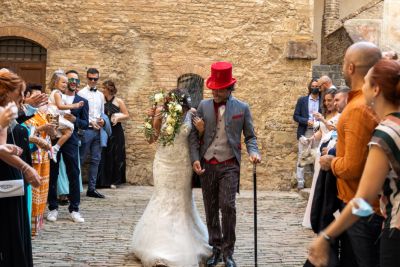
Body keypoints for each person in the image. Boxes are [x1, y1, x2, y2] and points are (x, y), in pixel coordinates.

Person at [308, 59, 400, 267]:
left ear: (375, 89)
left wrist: (326, 235)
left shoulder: (385, 134)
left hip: (395, 227)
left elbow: (363, 199)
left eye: (365, 84)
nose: (360, 90)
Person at [189, 62, 261, 267]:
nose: (214, 91)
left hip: (229, 164)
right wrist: (195, 158)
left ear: (229, 88)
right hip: (207, 164)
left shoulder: (242, 108)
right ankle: (216, 249)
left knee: (227, 206)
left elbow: (250, 137)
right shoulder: (203, 106)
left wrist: (254, 152)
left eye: (219, 88)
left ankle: (229, 252)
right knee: (211, 209)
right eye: (212, 87)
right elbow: (194, 137)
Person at [318, 41, 383, 267]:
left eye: (344, 62)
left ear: (351, 68)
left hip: (362, 208)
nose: (343, 67)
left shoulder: (358, 108)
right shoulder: (364, 103)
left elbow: (353, 167)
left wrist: (331, 162)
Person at [131, 89, 211, 267]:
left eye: (183, 107)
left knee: (182, 202)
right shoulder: (161, 114)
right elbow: (151, 139)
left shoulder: (192, 114)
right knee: (162, 199)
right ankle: (158, 246)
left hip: (183, 163)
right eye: (176, 106)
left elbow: (195, 141)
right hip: (163, 163)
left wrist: (201, 131)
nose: (180, 110)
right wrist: (150, 121)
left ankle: (185, 242)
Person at [0, 69, 41, 267]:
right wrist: (26, 168)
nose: (19, 101)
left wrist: (6, 147)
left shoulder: (5, 112)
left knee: (14, 227)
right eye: (18, 95)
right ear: (6, 91)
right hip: (4, 171)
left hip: (9, 171)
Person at [47, 70, 89, 223]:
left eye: (75, 80)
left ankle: (74, 209)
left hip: (70, 138)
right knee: (53, 172)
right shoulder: (57, 95)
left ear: (78, 83)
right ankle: (52, 208)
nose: (72, 82)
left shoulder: (82, 101)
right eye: (69, 79)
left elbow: (85, 124)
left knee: (74, 172)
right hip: (53, 135)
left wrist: (75, 119)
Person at [302, 88, 339, 229]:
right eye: (326, 100)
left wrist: (322, 119)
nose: (327, 103)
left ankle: (324, 215)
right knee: (317, 185)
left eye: (330, 100)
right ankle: (313, 216)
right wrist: (309, 139)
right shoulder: (327, 115)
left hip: (330, 152)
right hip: (320, 152)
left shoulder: (340, 115)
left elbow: (333, 130)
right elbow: (321, 134)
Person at [23, 84, 56, 236]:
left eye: (41, 98)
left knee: (42, 190)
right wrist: (42, 129)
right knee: (33, 191)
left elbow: (54, 136)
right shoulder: (25, 114)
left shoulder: (43, 114)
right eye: (36, 97)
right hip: (32, 157)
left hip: (44, 157)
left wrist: (51, 130)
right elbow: (23, 132)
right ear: (26, 96)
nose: (39, 101)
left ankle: (37, 224)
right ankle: (29, 225)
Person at [78, 68, 106, 198]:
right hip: (86, 130)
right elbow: (80, 113)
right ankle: (75, 188)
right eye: (91, 78)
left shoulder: (100, 95)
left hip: (98, 131)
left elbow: (102, 112)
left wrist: (101, 121)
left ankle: (92, 189)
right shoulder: (81, 93)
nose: (93, 81)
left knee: (96, 159)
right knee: (81, 158)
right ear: (87, 78)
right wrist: (91, 122)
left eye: (96, 79)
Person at [97, 80, 129, 188]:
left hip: (116, 130)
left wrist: (118, 116)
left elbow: (126, 115)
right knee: (104, 154)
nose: (102, 90)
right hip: (104, 130)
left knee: (116, 155)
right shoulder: (101, 100)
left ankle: (115, 181)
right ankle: (103, 181)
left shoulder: (119, 101)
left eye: (104, 88)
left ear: (109, 89)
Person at [47, 70, 84, 162]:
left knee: (57, 134)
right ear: (55, 83)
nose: (65, 84)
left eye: (66, 83)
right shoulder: (57, 93)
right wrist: (75, 105)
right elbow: (60, 106)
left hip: (53, 116)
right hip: (53, 116)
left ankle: (53, 149)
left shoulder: (59, 93)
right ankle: (54, 149)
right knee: (69, 130)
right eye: (63, 82)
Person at [293, 79, 322, 189]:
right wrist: (306, 121)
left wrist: (318, 122)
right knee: (302, 155)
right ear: (309, 87)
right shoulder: (302, 100)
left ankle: (316, 182)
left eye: (316, 86)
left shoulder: (323, 101)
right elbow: (295, 116)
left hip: (318, 131)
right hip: (305, 131)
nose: (314, 88)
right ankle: (300, 181)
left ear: (319, 88)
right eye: (313, 86)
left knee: (317, 155)